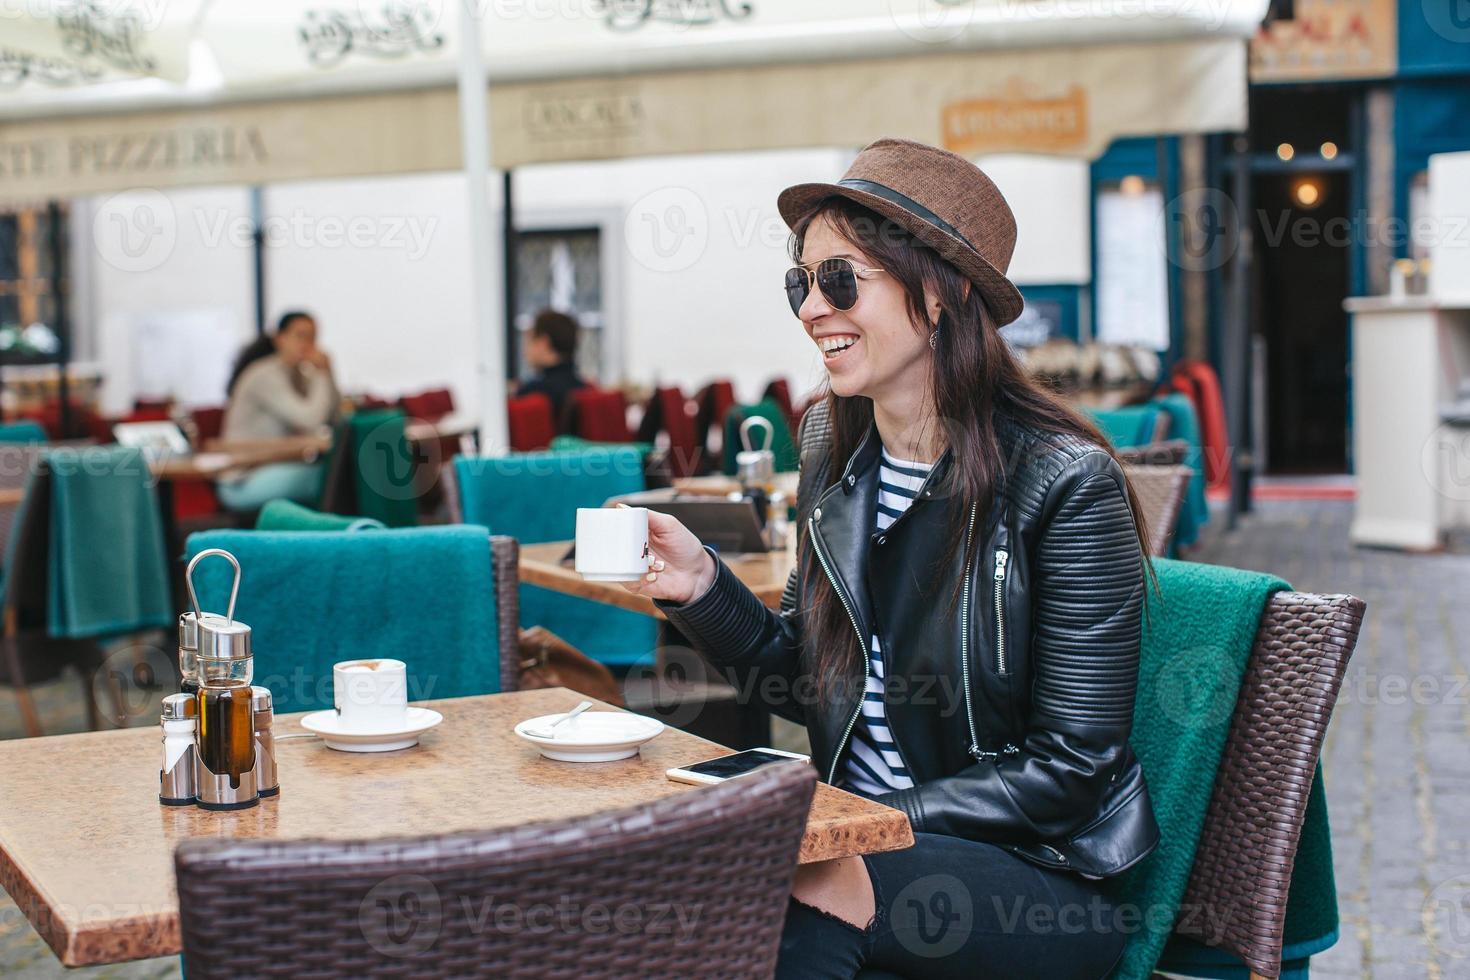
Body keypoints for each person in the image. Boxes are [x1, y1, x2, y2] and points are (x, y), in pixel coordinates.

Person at [621, 138, 1160, 979]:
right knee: (663, 865)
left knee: (799, 881)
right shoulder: (831, 445)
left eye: (840, 279)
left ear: (939, 295)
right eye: (801, 282)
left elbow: (1071, 771)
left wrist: (861, 817)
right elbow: (805, 679)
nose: (810, 309)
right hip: (853, 840)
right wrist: (701, 589)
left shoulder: (1063, 482)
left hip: (1039, 878)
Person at [217, 310, 340, 511]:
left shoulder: (298, 375)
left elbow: (334, 416)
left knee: (335, 473)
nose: (308, 344)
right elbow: (311, 420)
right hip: (244, 479)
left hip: (274, 468)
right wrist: (321, 374)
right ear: (280, 338)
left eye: (313, 337)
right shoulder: (264, 375)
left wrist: (329, 372)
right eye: (300, 336)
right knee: (331, 477)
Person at [516, 309, 590, 429]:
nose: (525, 351)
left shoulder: (533, 394)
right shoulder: (585, 389)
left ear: (543, 343)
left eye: (529, 341)